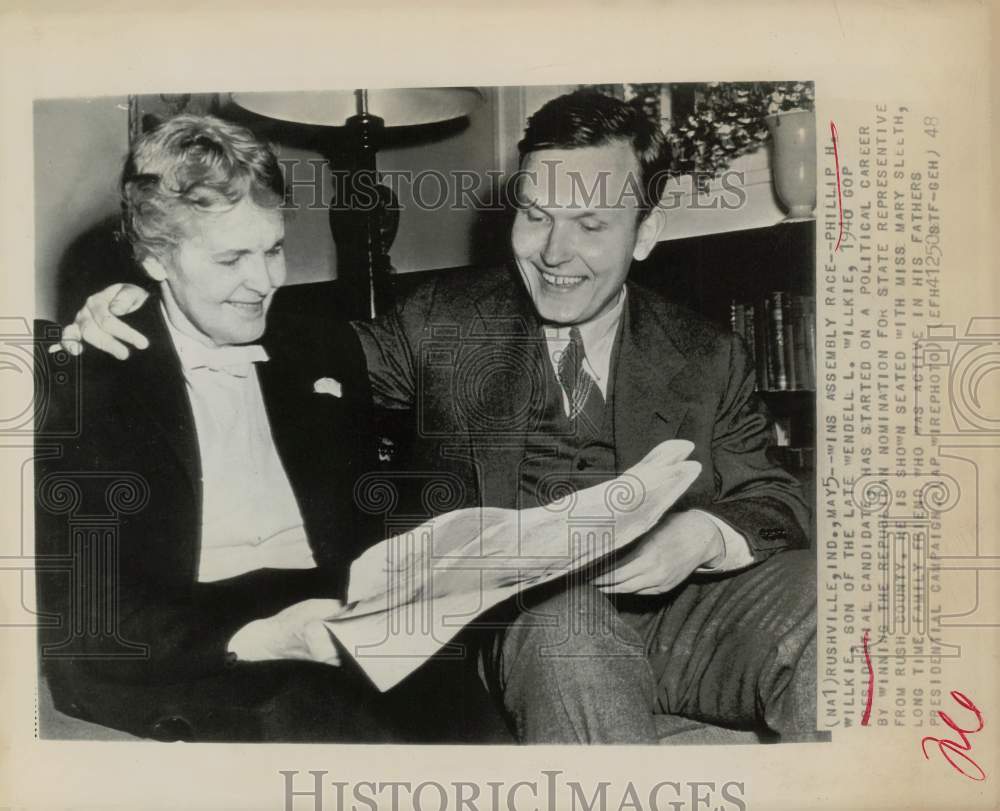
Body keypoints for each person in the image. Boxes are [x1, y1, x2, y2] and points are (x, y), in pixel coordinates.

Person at [58, 91, 818, 744]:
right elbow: (291, 359)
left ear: (644, 233)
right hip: (537, 619)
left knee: (828, 598)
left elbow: (776, 495)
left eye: (590, 223)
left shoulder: (706, 353)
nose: (555, 252)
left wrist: (705, 536)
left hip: (688, 609)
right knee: (571, 629)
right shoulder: (440, 325)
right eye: (535, 215)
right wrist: (120, 310)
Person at [37, 114, 434, 742]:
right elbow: (90, 624)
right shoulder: (94, 378)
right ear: (155, 259)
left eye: (273, 248)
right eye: (231, 259)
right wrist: (263, 637)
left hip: (329, 618)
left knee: (471, 717)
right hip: (192, 649)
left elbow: (368, 522)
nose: (268, 280)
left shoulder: (321, 350)